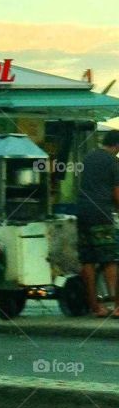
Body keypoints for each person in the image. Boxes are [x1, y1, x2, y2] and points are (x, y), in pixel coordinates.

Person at [77, 129, 119, 317]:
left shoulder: (88, 158)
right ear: (117, 145)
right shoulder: (112, 162)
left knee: (88, 260)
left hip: (83, 212)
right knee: (110, 259)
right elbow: (117, 193)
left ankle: (96, 307)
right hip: (101, 213)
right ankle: (118, 306)